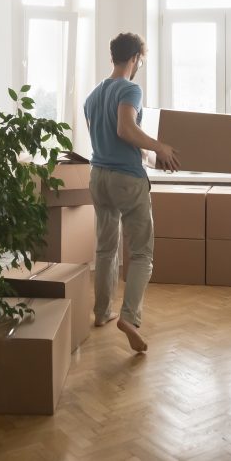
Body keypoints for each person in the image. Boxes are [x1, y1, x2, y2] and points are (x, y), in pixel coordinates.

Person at [83, 32, 180, 352]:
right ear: (136, 58)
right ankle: (129, 317)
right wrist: (159, 147)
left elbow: (106, 140)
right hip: (126, 180)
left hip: (98, 176)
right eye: (141, 59)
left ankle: (101, 313)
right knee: (141, 253)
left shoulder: (93, 94)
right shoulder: (130, 88)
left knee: (105, 249)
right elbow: (125, 129)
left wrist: (147, 154)